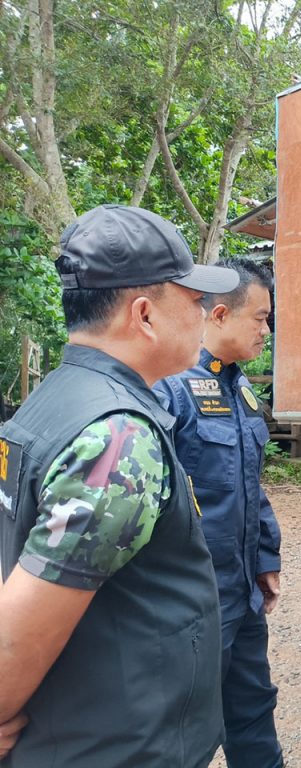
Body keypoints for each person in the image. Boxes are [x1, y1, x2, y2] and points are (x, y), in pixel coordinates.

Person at [0, 204, 239, 765]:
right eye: (194, 301)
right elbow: (26, 620)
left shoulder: (53, 398)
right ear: (144, 315)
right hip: (116, 747)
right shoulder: (118, 436)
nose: (203, 315)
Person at [154, 259, 283, 768]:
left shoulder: (239, 387)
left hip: (242, 592)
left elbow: (250, 483)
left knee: (253, 710)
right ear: (221, 314)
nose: (267, 331)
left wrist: (265, 559)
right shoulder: (169, 389)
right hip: (193, 603)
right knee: (186, 731)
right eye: (261, 318)